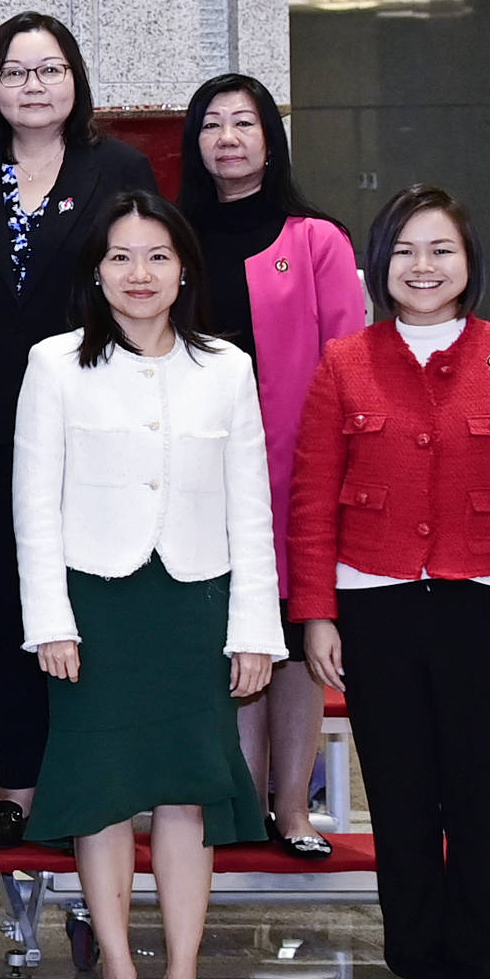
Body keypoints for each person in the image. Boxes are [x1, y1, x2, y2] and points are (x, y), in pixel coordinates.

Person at [288, 187, 490, 979]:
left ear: (469, 263)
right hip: (375, 607)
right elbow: (311, 502)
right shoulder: (346, 363)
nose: (423, 268)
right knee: (405, 803)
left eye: (441, 251)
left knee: (485, 802)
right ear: (380, 265)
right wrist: (316, 612)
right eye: (405, 251)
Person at [12, 191, 281, 979]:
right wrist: (49, 618)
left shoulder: (225, 367)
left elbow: (252, 508)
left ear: (184, 270)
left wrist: (255, 631)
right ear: (97, 270)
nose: (139, 274)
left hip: (195, 601)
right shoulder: (55, 364)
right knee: (100, 794)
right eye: (122, 257)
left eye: (157, 257)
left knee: (187, 795)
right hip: (97, 605)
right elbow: (34, 508)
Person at [0, 13, 157, 845]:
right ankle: (20, 785)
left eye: (49, 70)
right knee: (10, 612)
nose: (32, 86)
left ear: (75, 80)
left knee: (93, 610)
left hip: (96, 424)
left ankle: (94, 787)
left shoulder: (120, 168)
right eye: (15, 73)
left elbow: (143, 287)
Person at [180, 71, 369, 857]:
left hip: (297, 466)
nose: (228, 137)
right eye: (213, 124)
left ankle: (291, 808)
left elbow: (349, 360)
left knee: (291, 636)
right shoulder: (176, 236)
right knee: (228, 632)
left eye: (244, 123)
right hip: (199, 466)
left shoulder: (315, 238)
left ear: (270, 138)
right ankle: (236, 801)